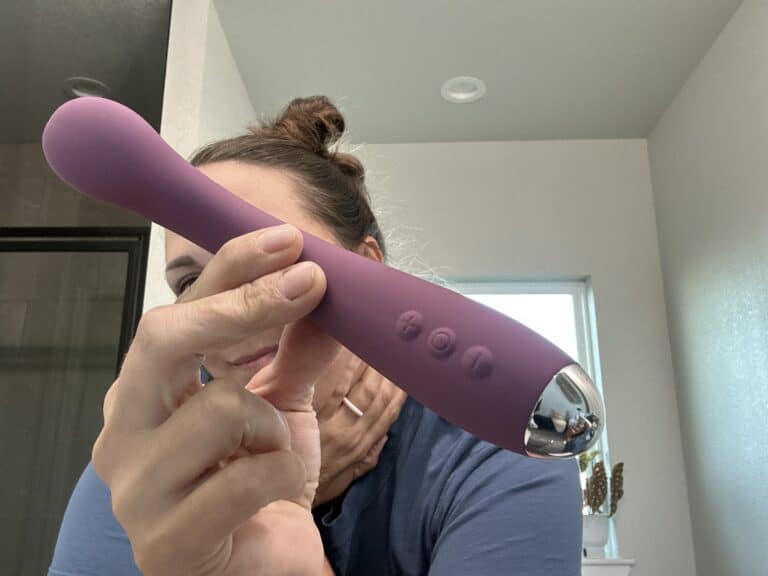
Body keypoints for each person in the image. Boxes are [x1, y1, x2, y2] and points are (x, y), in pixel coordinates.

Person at [48, 96, 583, 576]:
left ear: (368, 267)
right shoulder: (153, 466)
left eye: (268, 257)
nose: (228, 310)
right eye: (191, 282)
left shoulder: (496, 450)